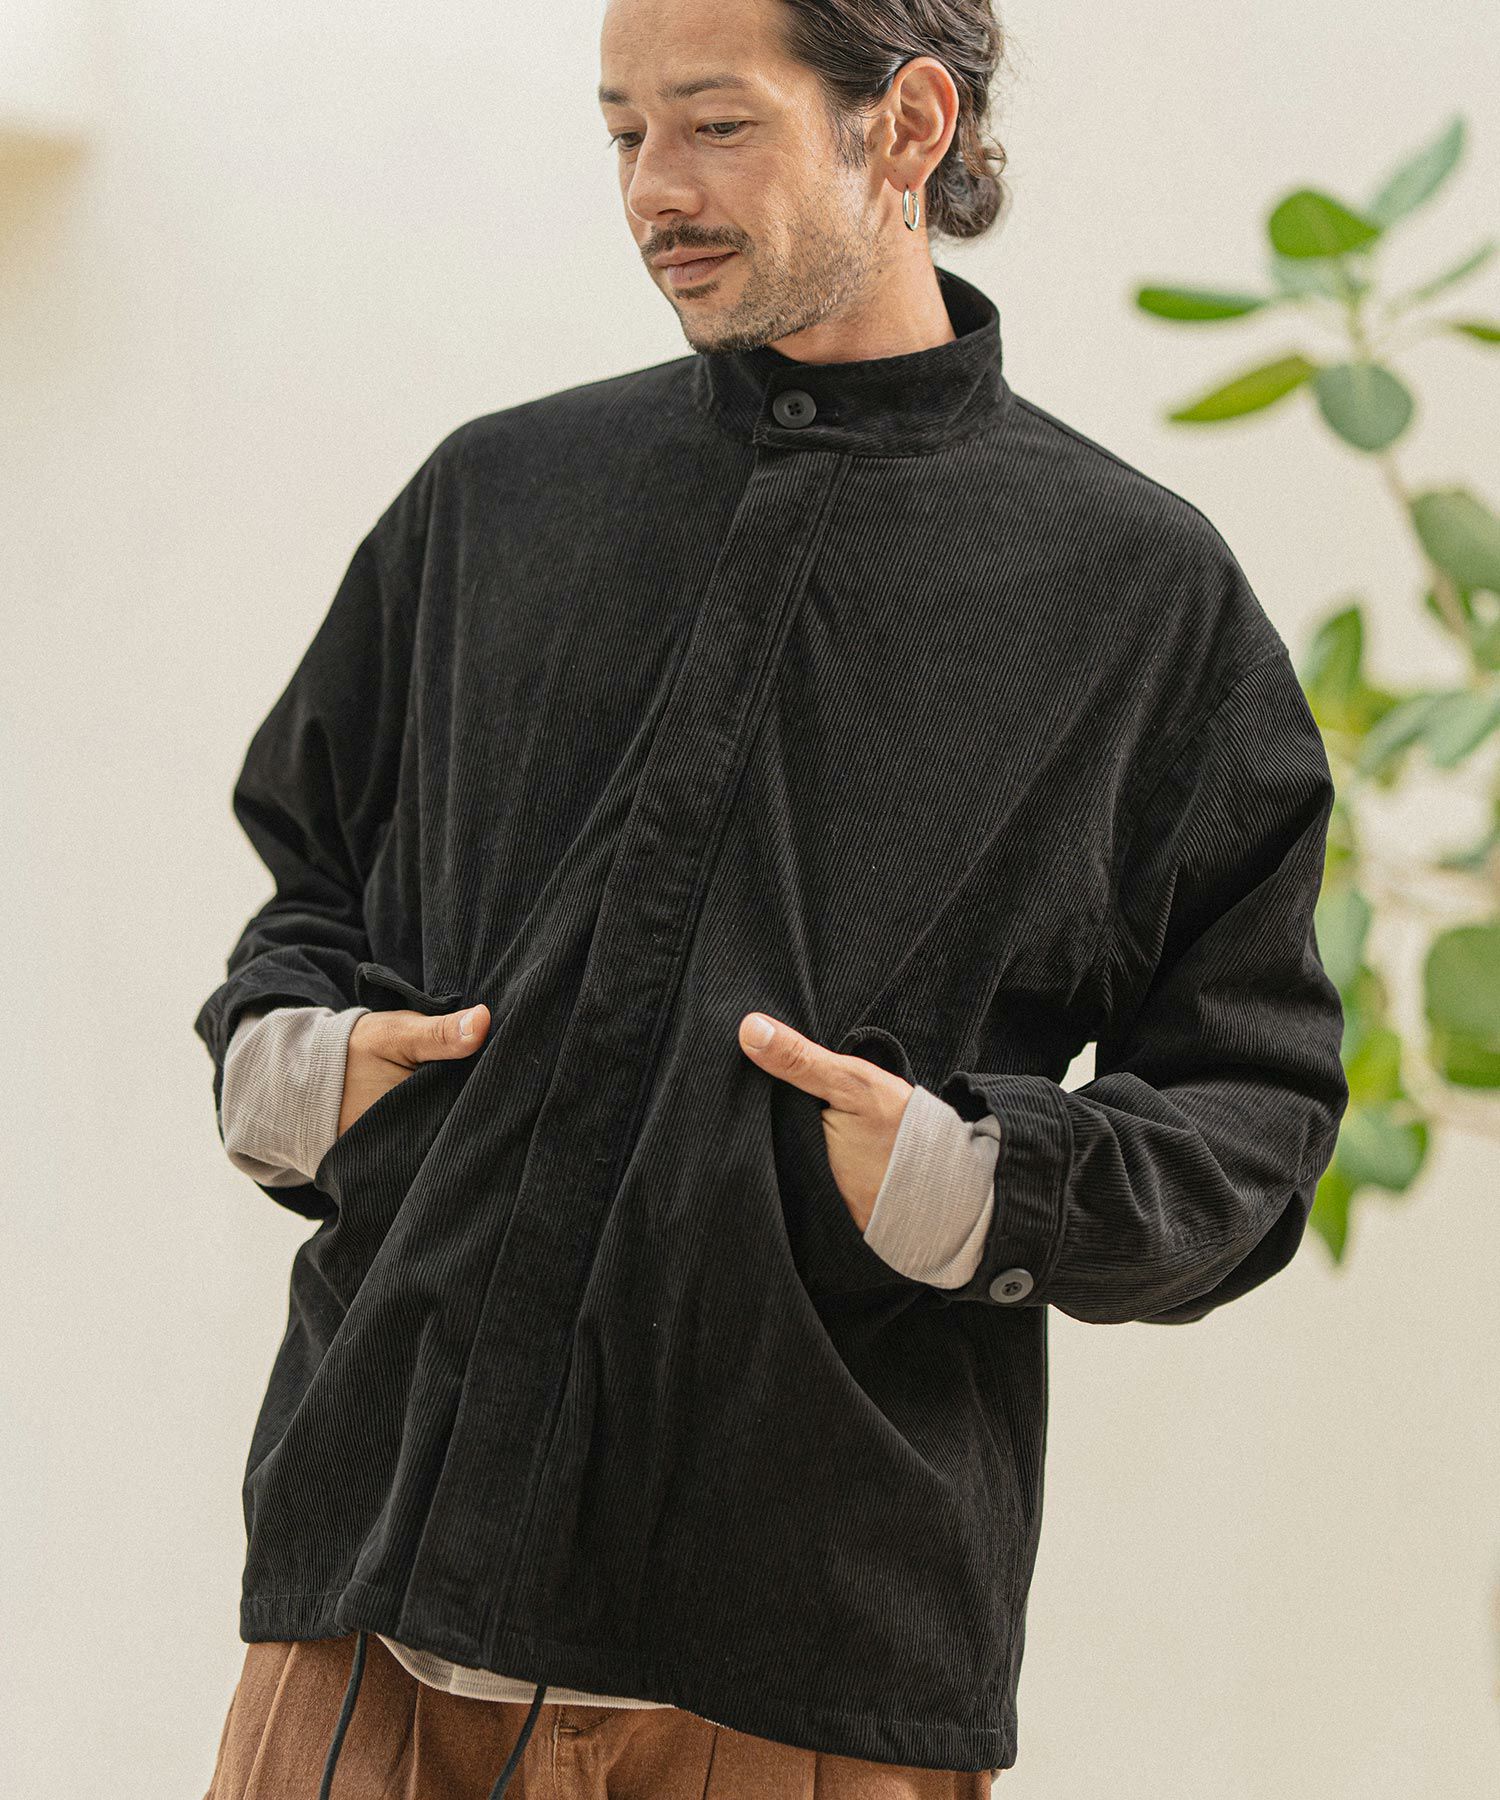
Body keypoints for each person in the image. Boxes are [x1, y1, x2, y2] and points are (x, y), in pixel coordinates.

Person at [193, 0, 1350, 1795]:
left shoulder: (1134, 595)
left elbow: (1254, 1108)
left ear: (908, 125)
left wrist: (966, 1183)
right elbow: (308, 881)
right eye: (624, 131)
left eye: (716, 124)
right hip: (375, 1612)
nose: (655, 189)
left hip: (803, 1655)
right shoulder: (497, 501)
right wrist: (307, 1073)